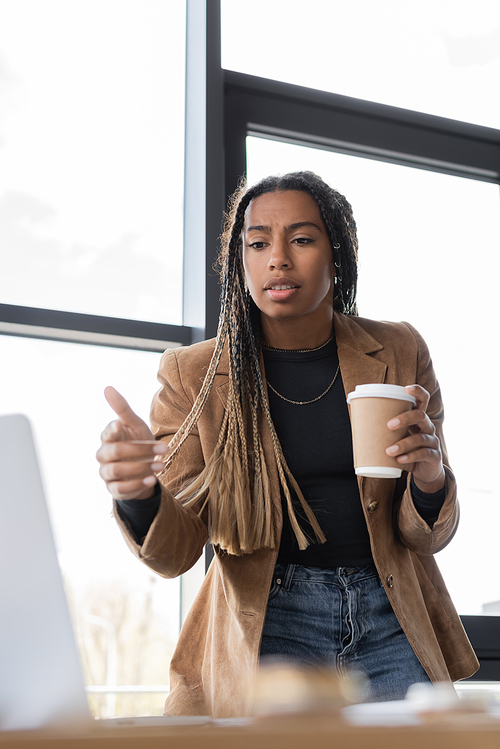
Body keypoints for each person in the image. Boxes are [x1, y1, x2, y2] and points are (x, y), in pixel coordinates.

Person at [96, 171, 478, 717]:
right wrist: (137, 493)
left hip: (391, 609)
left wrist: (431, 480)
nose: (278, 258)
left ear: (336, 255)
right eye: (258, 243)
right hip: (270, 616)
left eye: (301, 239)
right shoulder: (197, 374)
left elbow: (426, 537)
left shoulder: (398, 348)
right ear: (241, 263)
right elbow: (176, 551)